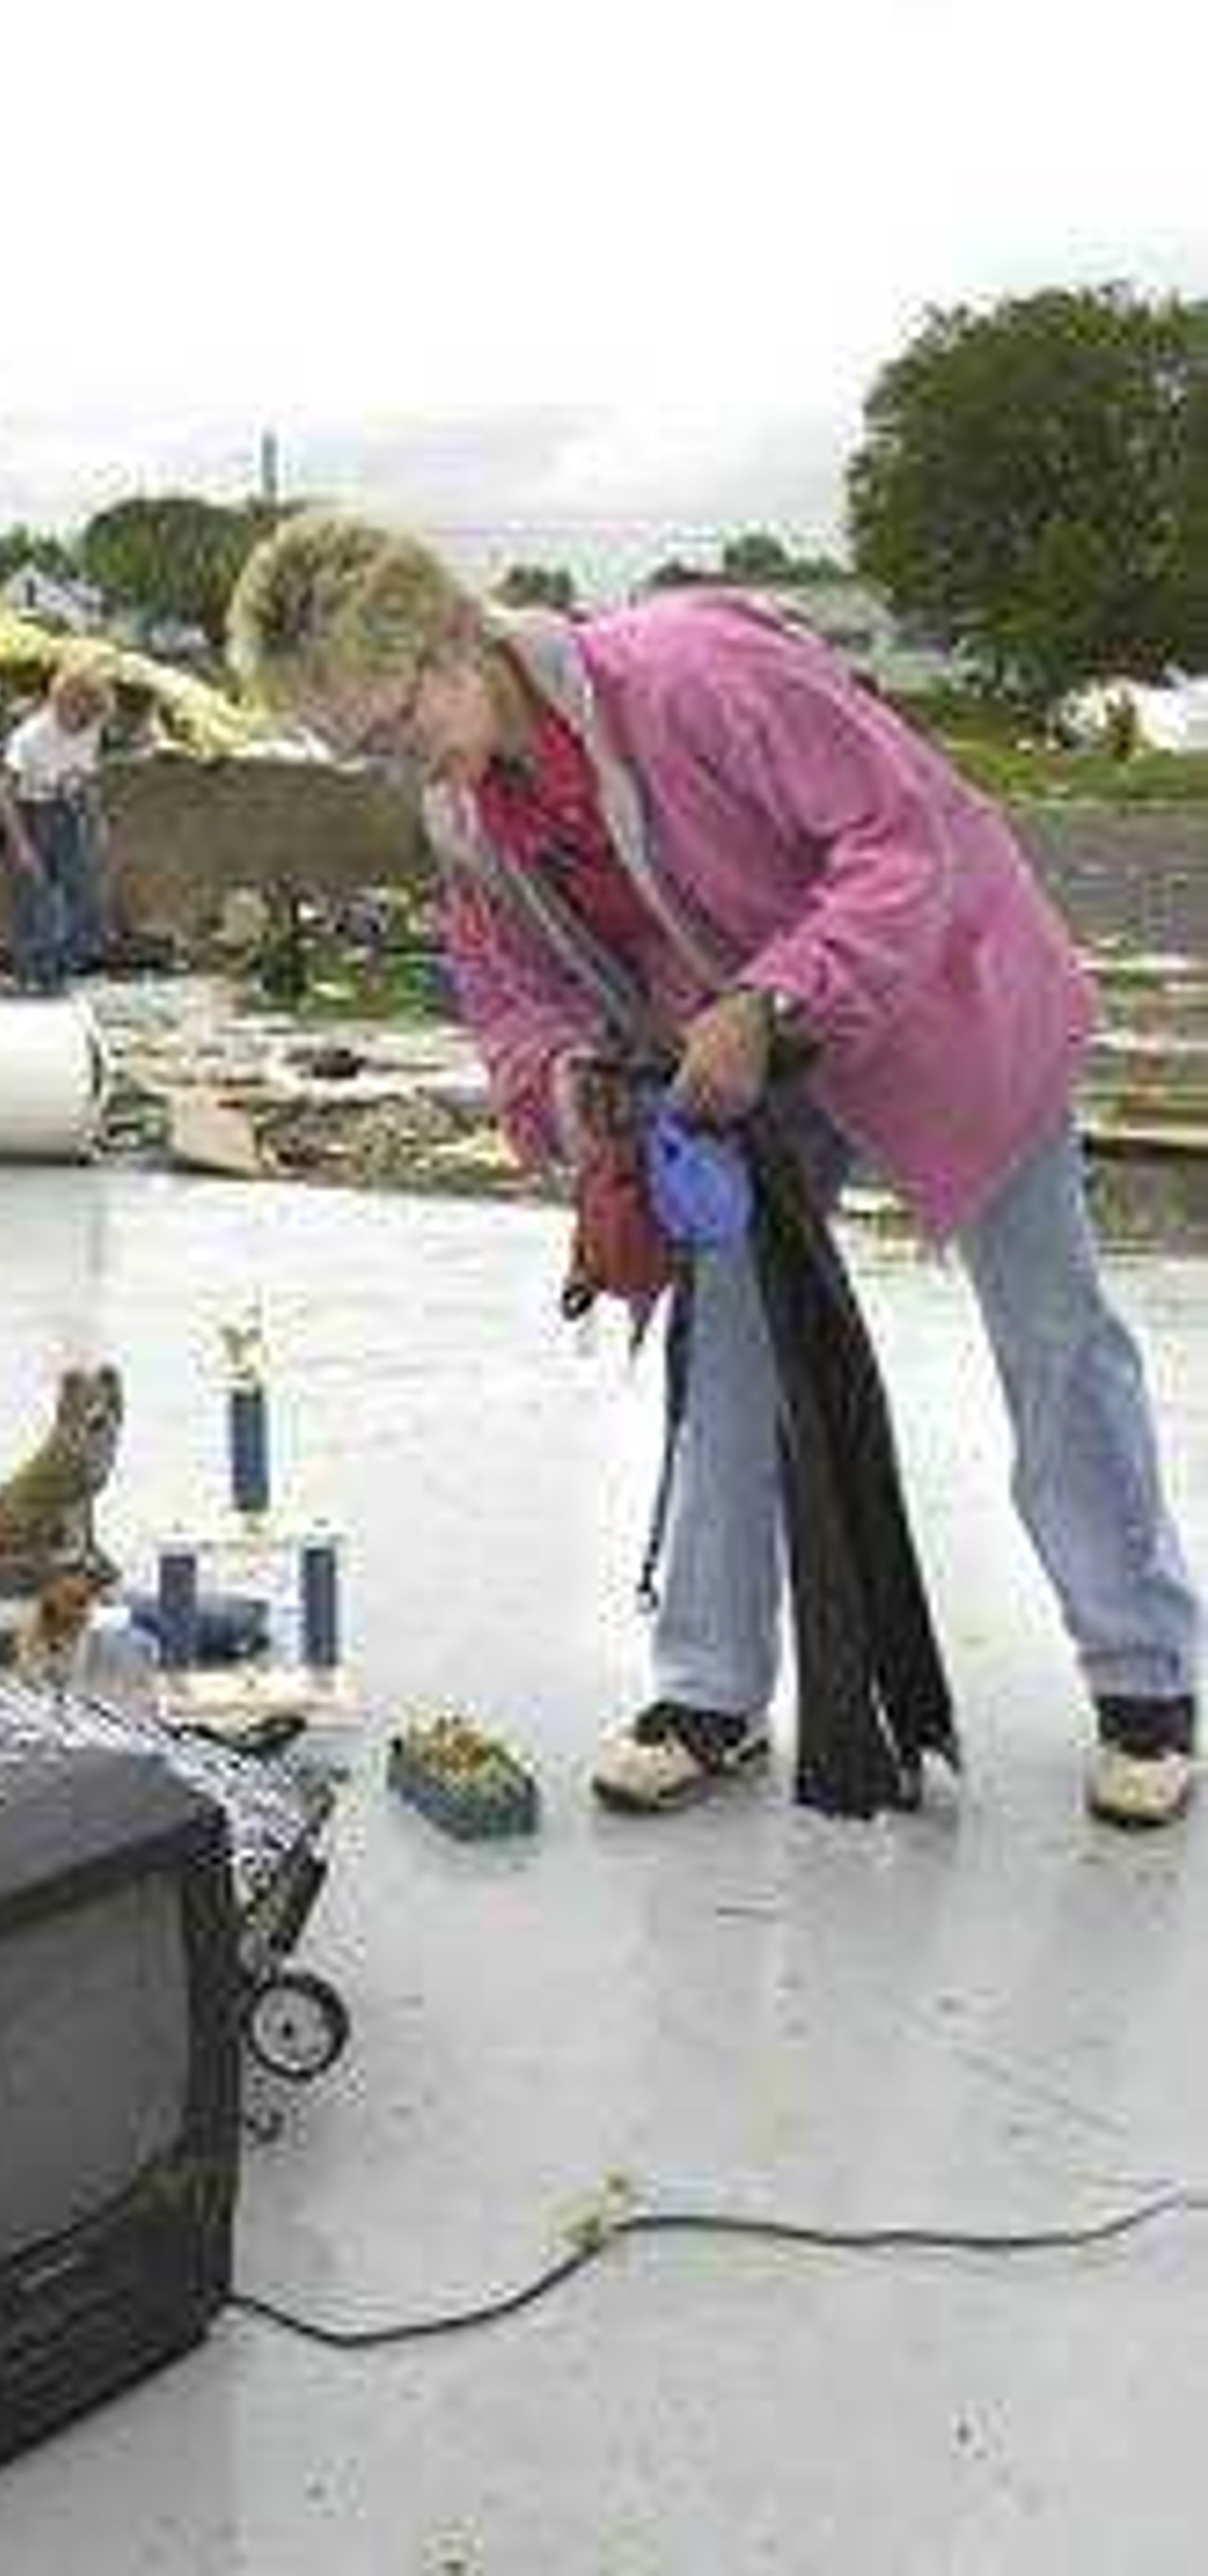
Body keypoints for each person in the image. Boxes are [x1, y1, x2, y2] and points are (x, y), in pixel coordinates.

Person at [227, 510, 1200, 1829]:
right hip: (731, 1078)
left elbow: (900, 839)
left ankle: (1143, 1676)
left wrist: (773, 998)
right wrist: (572, 1088)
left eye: (393, 726)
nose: (396, 764)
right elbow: (510, 1002)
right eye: (360, 750)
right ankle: (708, 1690)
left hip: (944, 1009)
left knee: (1052, 1336)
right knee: (726, 1364)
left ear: (455, 641)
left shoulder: (694, 675)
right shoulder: (466, 818)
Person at [0, 658, 113, 992]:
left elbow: (86, 780)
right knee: (37, 901)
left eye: (92, 718)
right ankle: (34, 977)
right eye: (83, 716)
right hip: (26, 814)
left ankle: (59, 971)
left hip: (65, 812)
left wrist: (96, 822)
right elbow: (4, 793)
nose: (86, 725)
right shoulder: (31, 737)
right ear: (65, 704)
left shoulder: (89, 729)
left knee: (85, 897)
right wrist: (22, 847)